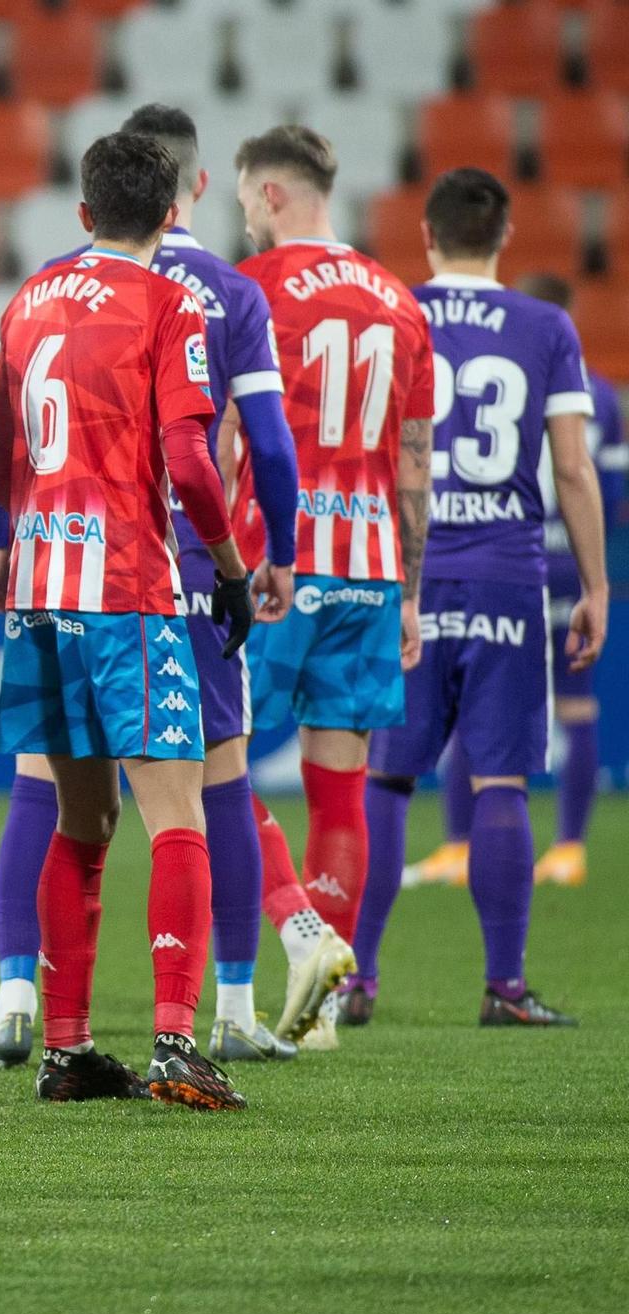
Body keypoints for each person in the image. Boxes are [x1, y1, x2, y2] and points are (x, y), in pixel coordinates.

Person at [0, 104, 314, 1068]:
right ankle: (176, 1036)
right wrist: (236, 563)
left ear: (82, 211)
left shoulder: (29, 298)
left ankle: (68, 1044)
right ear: (173, 210)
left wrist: (1, 544)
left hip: (41, 587)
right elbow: (194, 462)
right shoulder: (176, 305)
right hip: (131, 585)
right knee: (180, 811)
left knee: (81, 819)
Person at [345, 170, 605, 1029]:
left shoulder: (391, 311)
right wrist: (597, 585)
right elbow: (571, 466)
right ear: (503, 238)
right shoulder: (546, 326)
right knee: (501, 779)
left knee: (385, 779)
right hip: (507, 576)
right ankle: (504, 985)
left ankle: (359, 980)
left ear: (426, 235)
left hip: (405, 578)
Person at [231, 125, 437, 1050]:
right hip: (370, 565)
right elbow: (417, 465)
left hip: (281, 558)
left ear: (270, 195)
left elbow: (237, 433)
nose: (242, 218)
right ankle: (321, 1001)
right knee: (341, 787)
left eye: (242, 201)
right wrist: (411, 588)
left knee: (204, 763)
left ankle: (296, 927)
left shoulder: (259, 289)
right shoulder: (399, 300)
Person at [408, 273, 626, 891]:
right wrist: (596, 572)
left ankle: (457, 845)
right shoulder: (602, 394)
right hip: (566, 561)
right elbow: (601, 489)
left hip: (506, 555)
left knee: (473, 701)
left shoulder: (505, 363)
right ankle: (570, 848)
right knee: (579, 707)